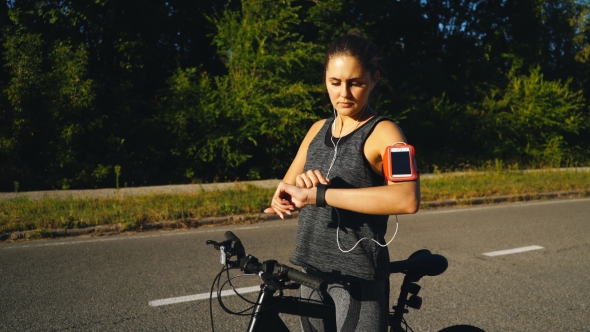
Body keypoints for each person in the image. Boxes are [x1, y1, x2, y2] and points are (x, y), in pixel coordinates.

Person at [264, 33, 420, 332]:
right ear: (325, 78)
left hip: (357, 277)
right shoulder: (316, 130)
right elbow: (285, 191)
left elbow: (406, 198)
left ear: (373, 79)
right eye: (335, 82)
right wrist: (286, 197)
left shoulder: (386, 133)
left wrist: (320, 195)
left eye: (355, 83)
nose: (344, 93)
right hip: (310, 272)